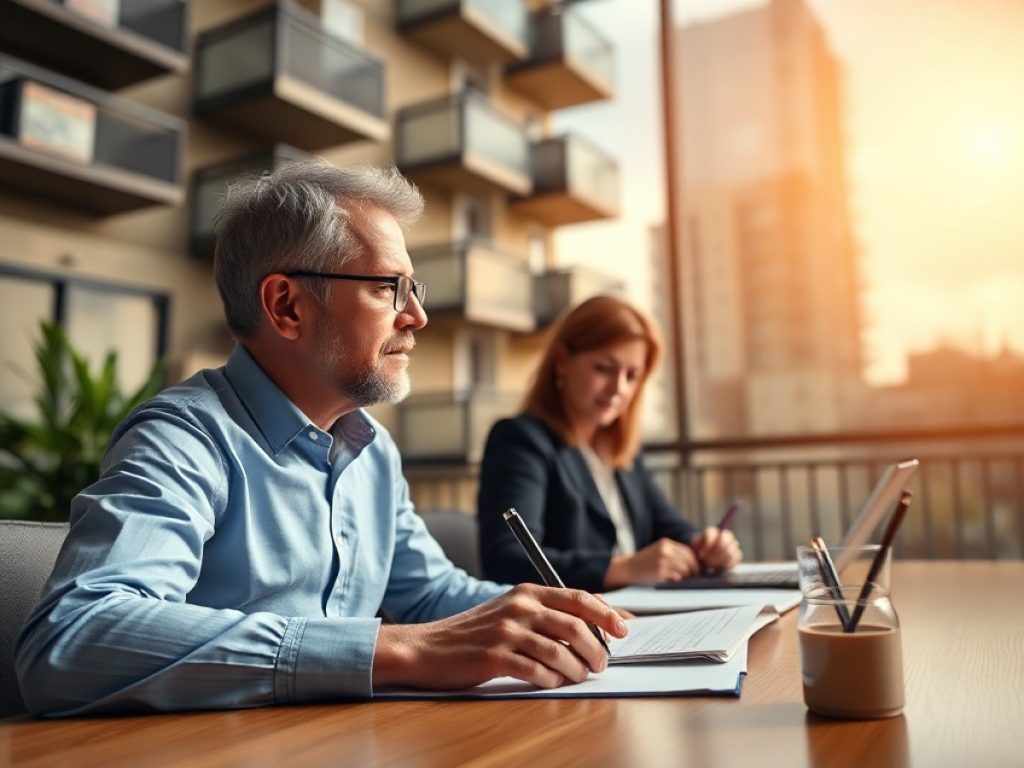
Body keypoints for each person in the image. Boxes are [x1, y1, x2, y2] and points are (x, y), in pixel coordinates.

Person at [14, 161, 626, 717]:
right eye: (389, 287)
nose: (417, 316)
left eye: (415, 289)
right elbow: (71, 637)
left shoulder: (371, 450)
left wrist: (571, 615)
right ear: (287, 306)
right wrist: (392, 651)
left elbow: (433, 595)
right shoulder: (184, 437)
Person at [477, 296, 742, 593]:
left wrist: (704, 545)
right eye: (604, 368)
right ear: (562, 362)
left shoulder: (620, 451)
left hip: (641, 615)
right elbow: (508, 560)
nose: (619, 389)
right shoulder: (520, 440)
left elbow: (670, 527)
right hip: (575, 627)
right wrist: (625, 568)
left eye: (632, 376)